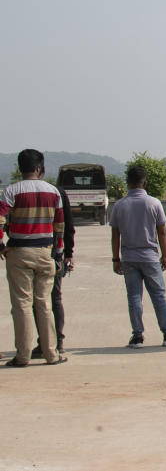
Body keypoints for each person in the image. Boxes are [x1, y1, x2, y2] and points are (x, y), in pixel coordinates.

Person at [0, 149, 67, 366]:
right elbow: (59, 227)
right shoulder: (53, 192)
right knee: (44, 304)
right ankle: (51, 353)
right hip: (45, 251)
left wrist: (1, 244)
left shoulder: (11, 191)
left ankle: (23, 355)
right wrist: (57, 253)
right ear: (39, 168)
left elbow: (0, 218)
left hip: (19, 252)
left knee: (21, 304)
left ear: (21, 168)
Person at [111, 165, 166, 347]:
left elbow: (115, 235)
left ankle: (137, 336)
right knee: (158, 296)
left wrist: (115, 259)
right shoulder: (154, 203)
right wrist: (165, 255)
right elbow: (162, 232)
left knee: (134, 297)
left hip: (129, 258)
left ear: (127, 182)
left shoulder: (120, 205)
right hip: (150, 257)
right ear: (144, 182)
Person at [31, 185, 75, 357]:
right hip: (55, 253)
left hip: (35, 249)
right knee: (55, 297)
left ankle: (44, 342)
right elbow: (69, 226)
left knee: (37, 299)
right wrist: (68, 254)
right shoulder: (57, 192)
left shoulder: (27, 192)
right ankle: (57, 341)